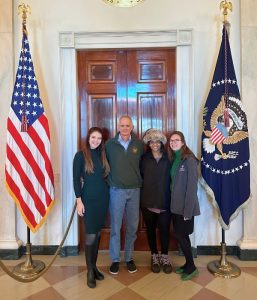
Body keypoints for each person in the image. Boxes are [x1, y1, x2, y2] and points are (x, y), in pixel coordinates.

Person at [105, 115, 144, 275]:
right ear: (118, 127)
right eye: (122, 125)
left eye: (128, 125)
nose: (125, 128)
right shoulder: (109, 145)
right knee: (115, 226)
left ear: (132, 127)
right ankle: (115, 259)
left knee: (133, 226)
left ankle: (129, 258)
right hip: (116, 191)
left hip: (135, 190)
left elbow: (143, 165)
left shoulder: (139, 145)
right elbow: (103, 164)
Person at [73, 127, 110, 288]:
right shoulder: (80, 155)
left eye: (99, 138)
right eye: (93, 137)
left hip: (103, 199)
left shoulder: (102, 155)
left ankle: (94, 267)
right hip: (88, 200)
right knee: (90, 235)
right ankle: (89, 271)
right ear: (88, 138)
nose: (96, 140)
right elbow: (75, 179)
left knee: (97, 233)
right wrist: (79, 201)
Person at [168, 130, 200, 281]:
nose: (173, 142)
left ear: (183, 142)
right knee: (181, 236)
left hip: (185, 208)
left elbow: (192, 187)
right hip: (175, 206)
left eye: (176, 140)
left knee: (182, 236)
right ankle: (188, 264)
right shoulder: (175, 159)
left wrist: (188, 210)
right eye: (171, 141)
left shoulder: (189, 160)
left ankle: (192, 267)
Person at [140, 129, 172, 274]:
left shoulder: (168, 158)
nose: (154, 144)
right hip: (147, 202)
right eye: (151, 141)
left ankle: (164, 256)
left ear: (161, 143)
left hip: (165, 201)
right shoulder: (144, 158)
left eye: (157, 141)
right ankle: (154, 255)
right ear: (148, 143)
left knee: (165, 231)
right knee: (151, 231)